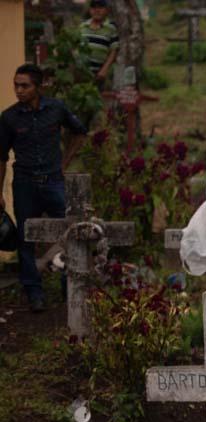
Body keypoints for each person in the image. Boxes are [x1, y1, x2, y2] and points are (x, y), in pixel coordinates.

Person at [0, 64, 87, 312]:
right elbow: (1, 157)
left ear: (38, 87)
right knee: (26, 237)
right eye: (16, 85)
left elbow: (80, 132)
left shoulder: (56, 109)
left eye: (24, 85)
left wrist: (65, 162)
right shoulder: (9, 118)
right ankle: (34, 293)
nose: (19, 90)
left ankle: (67, 285)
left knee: (69, 232)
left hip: (54, 181)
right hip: (24, 182)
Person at [80, 0, 119, 87]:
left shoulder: (111, 27)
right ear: (90, 10)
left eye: (100, 7)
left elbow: (114, 50)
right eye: (94, 7)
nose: (97, 10)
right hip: (82, 73)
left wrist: (104, 70)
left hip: (99, 74)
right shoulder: (82, 26)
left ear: (106, 10)